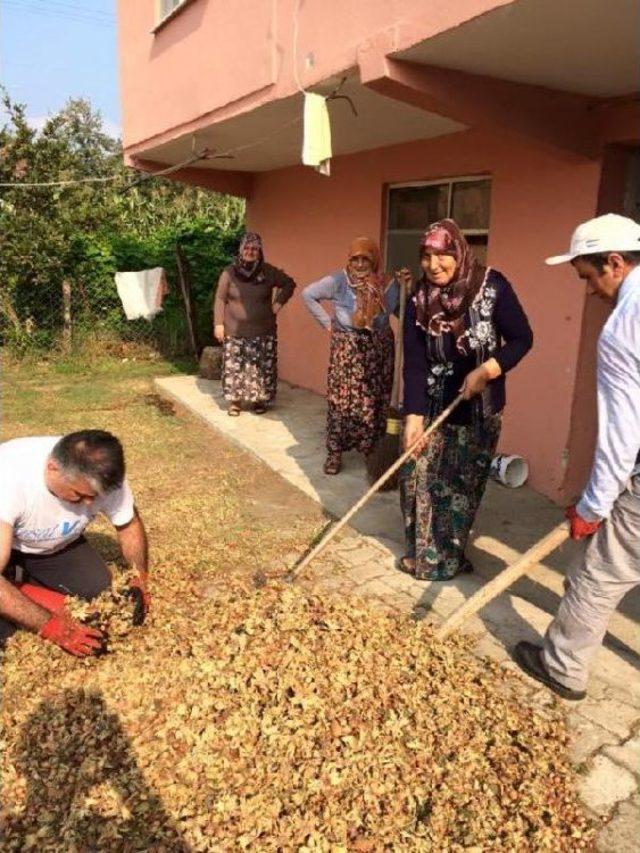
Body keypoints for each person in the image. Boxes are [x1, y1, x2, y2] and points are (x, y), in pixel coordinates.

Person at [515, 213, 640, 701]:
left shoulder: (623, 329)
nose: (589, 290)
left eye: (588, 277)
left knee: (598, 575)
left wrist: (592, 507)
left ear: (614, 262)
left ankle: (562, 668)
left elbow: (621, 437)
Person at [400, 219, 533, 581]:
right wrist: (413, 416)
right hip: (430, 402)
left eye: (442, 254)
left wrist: (489, 369)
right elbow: (413, 362)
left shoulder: (493, 286)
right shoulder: (417, 299)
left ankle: (444, 557)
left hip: (476, 408)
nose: (433, 264)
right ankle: (425, 553)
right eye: (426, 256)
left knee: (457, 485)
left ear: (458, 252)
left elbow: (522, 339)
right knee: (418, 479)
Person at [0, 430, 150, 657]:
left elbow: (128, 525)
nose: (89, 503)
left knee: (96, 588)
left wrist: (140, 577)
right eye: (79, 494)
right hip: (6, 537)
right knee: (7, 633)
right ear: (53, 468)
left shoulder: (103, 473)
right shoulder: (9, 479)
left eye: (95, 496)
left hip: (47, 545)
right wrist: (52, 626)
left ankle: (17, 580)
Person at [302, 237, 400, 475]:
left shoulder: (386, 283)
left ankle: (371, 450)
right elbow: (308, 294)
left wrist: (406, 288)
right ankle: (334, 453)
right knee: (341, 401)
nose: (359, 264)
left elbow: (399, 310)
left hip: (379, 351)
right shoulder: (338, 281)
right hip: (347, 351)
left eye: (364, 258)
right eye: (354, 259)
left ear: (374, 260)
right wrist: (328, 324)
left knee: (373, 401)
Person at [214, 232, 296, 416]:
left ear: (260, 251)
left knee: (261, 368)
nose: (250, 252)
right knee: (235, 368)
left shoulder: (268, 271)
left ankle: (260, 400)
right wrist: (218, 324)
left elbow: (289, 284)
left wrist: (277, 305)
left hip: (263, 331)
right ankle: (235, 402)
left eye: (255, 249)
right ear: (241, 250)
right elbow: (220, 299)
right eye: (247, 248)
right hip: (235, 331)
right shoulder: (229, 273)